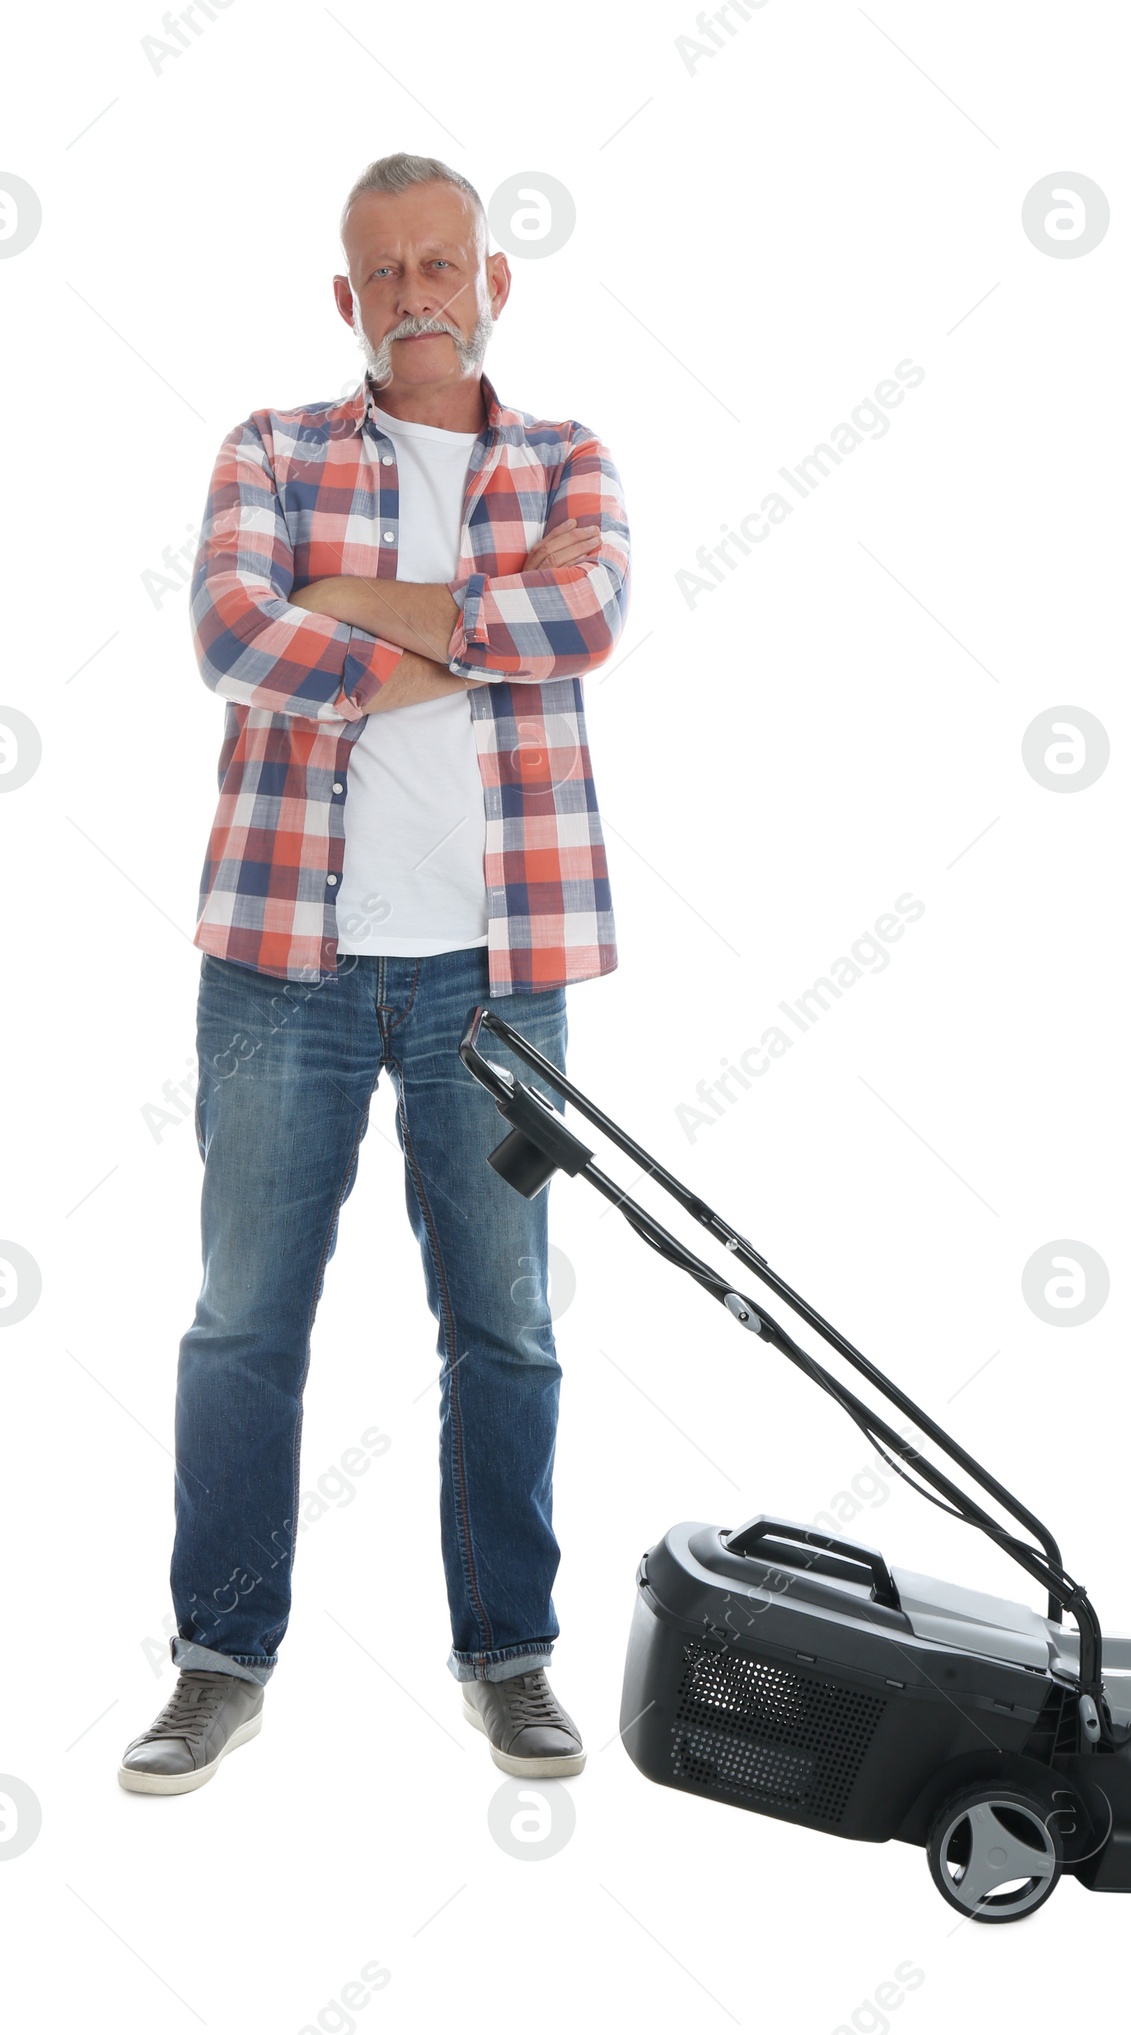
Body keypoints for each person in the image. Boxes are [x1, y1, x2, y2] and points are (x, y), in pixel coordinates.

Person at [118, 152, 630, 1795]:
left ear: (493, 282)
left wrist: (349, 610)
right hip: (286, 969)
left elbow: (589, 619)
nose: (417, 291)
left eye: (442, 263)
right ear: (348, 298)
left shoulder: (568, 460)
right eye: (384, 270)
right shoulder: (267, 451)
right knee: (244, 1326)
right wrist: (468, 628)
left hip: (500, 975)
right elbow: (229, 639)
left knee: (506, 1326)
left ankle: (511, 1658)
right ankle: (218, 1661)